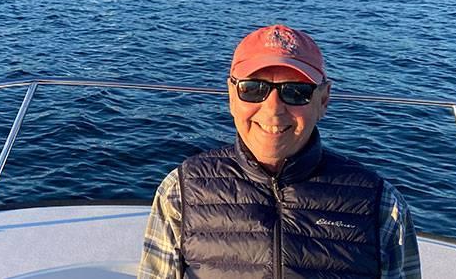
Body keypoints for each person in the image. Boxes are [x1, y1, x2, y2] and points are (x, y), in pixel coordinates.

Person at [138, 24, 420, 279]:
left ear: (323, 100)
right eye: (253, 89)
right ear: (232, 97)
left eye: (296, 92)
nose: (273, 109)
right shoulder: (180, 192)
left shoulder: (382, 206)